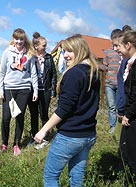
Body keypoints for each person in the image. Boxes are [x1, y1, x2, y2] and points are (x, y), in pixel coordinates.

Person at [34, 34, 100, 187]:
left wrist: (44, 130)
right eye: (64, 51)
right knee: (77, 178)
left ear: (80, 49)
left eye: (70, 51)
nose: (65, 56)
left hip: (70, 136)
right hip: (88, 135)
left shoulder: (74, 74)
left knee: (50, 177)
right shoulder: (93, 72)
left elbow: (64, 108)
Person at [0, 28, 38, 156]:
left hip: (24, 89)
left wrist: (35, 90)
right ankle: (4, 143)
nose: (19, 41)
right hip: (9, 88)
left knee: (19, 117)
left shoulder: (29, 54)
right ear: (13, 39)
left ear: (24, 39)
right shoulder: (7, 52)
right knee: (6, 117)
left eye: (21, 39)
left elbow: (33, 73)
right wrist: (0, 89)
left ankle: (16, 144)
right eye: (17, 38)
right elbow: (1, 72)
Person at [27, 32, 57, 149]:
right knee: (34, 114)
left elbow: (54, 75)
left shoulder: (49, 58)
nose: (45, 47)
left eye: (46, 45)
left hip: (46, 90)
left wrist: (53, 90)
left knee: (44, 114)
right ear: (36, 46)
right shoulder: (30, 57)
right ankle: (34, 137)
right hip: (33, 90)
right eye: (43, 45)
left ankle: (45, 136)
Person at [116, 30, 136, 184]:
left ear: (128, 45)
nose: (118, 50)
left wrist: (128, 114)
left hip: (133, 116)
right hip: (130, 113)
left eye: (120, 46)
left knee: (131, 152)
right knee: (125, 149)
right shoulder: (130, 63)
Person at [100, 29, 122, 134]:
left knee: (120, 106)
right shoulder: (108, 52)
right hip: (109, 83)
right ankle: (112, 127)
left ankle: (120, 126)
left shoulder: (122, 52)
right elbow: (105, 66)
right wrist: (97, 66)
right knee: (111, 106)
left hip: (120, 84)